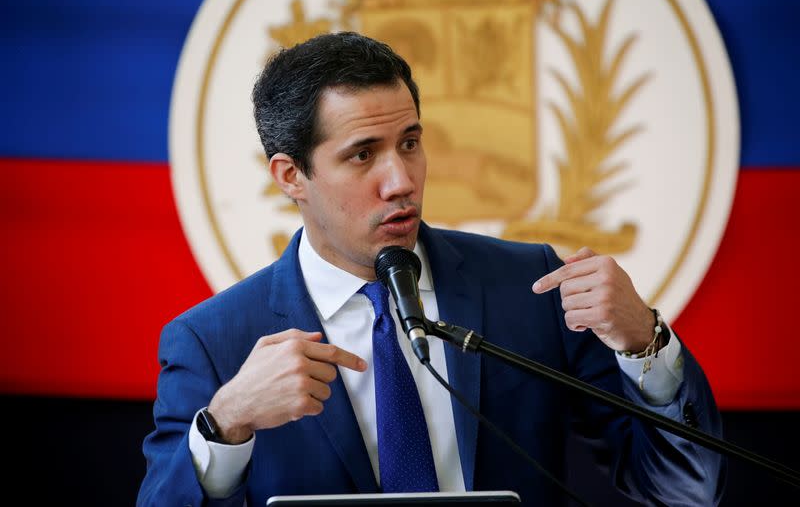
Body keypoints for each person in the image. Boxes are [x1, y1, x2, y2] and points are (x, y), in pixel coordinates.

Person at [138, 32, 724, 506]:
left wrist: (647, 344)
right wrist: (225, 425)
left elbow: (682, 490)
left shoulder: (529, 288)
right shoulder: (213, 343)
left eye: (410, 143)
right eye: (363, 154)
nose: (401, 181)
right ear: (291, 176)